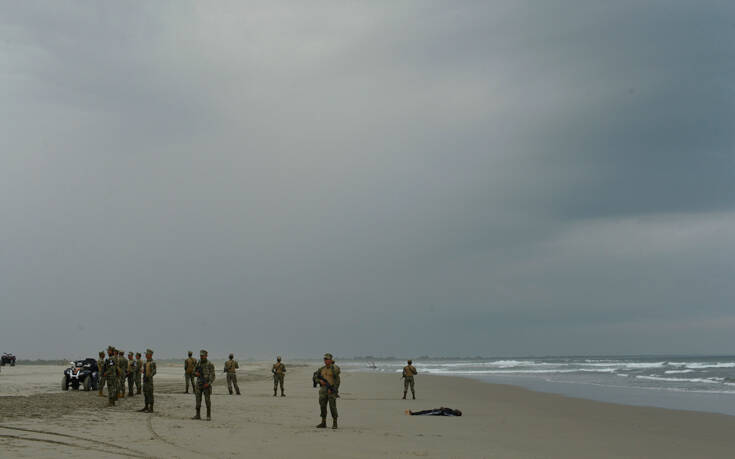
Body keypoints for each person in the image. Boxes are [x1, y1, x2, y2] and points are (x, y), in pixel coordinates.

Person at [314, 353, 340, 429]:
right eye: (325, 359)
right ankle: (323, 422)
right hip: (323, 390)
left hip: (331, 390)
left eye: (327, 359)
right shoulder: (321, 369)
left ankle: (335, 423)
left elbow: (337, 380)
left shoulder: (335, 368)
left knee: (332, 407)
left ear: (331, 360)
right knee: (322, 406)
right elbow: (315, 377)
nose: (326, 361)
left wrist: (334, 390)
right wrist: (319, 381)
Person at [192, 349, 215, 421]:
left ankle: (208, 416)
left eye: (203, 356)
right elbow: (193, 371)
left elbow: (213, 375)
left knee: (207, 401)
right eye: (200, 356)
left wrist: (208, 383)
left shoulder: (210, 364)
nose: (201, 357)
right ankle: (197, 415)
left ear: (206, 356)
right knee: (198, 400)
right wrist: (196, 374)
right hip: (199, 384)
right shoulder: (198, 363)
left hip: (206, 385)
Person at [138, 349, 156, 413]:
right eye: (146, 354)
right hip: (145, 380)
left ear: (150, 355)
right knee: (145, 393)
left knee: (150, 394)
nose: (146, 355)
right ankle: (146, 406)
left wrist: (150, 375)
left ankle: (151, 408)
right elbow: (145, 371)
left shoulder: (152, 362)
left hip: (149, 381)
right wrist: (143, 371)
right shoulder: (145, 363)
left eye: (147, 354)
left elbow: (154, 371)